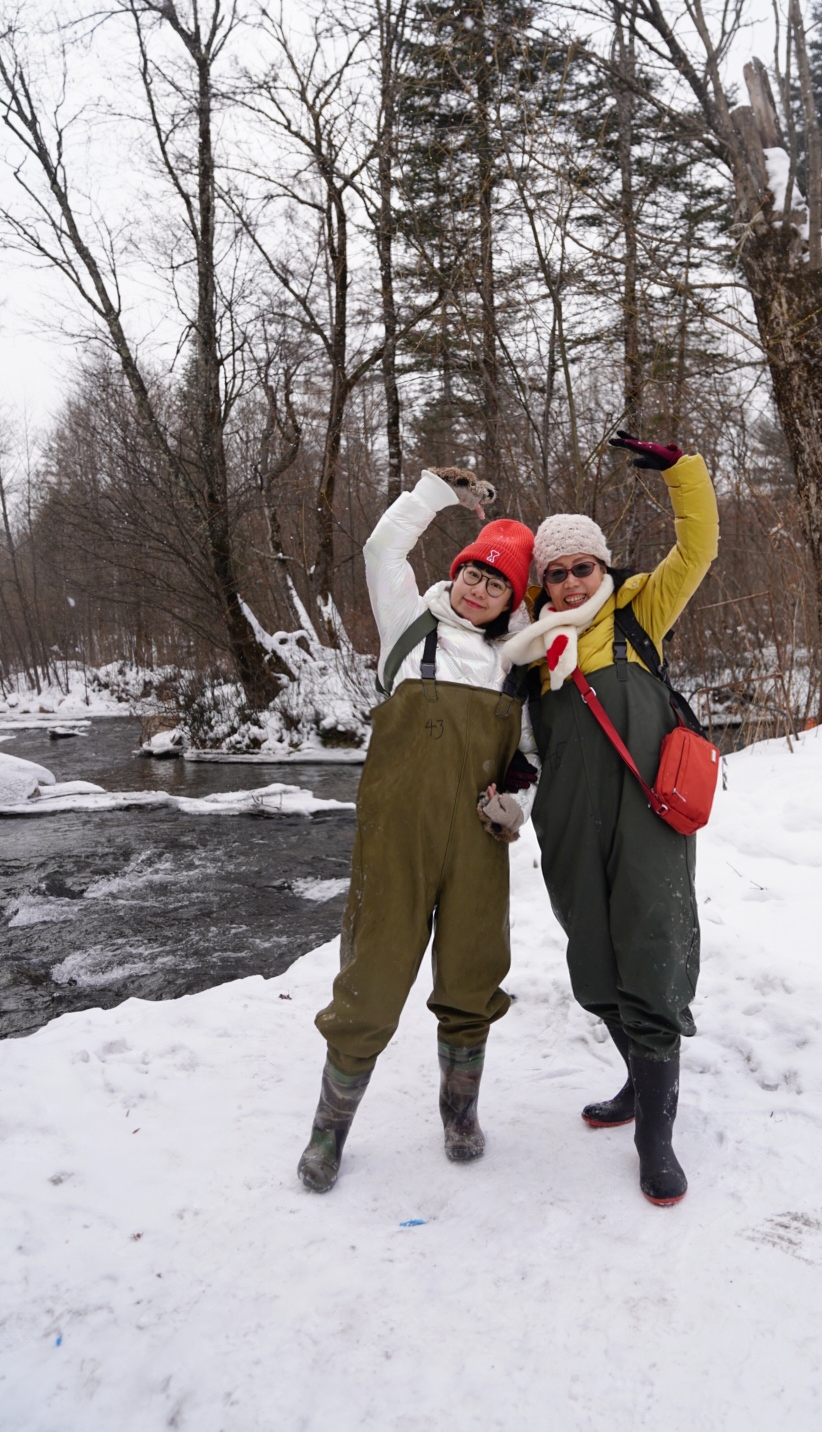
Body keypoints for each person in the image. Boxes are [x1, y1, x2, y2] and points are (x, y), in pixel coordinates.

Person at [297, 466, 537, 1193]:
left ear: (511, 600)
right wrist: (437, 492)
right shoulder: (410, 622)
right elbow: (380, 550)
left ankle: (458, 1112)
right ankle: (327, 1131)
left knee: (471, 977)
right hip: (395, 839)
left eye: (495, 584)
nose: (476, 590)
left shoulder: (520, 661)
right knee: (369, 983)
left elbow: (529, 755)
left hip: (476, 843)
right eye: (471, 574)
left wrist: (515, 803)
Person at [501, 432, 718, 1206]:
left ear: (603, 567)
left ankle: (655, 1139)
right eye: (554, 573)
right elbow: (493, 716)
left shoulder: (638, 613)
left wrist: (681, 473)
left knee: (653, 958)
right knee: (595, 963)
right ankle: (635, 1082)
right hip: (569, 823)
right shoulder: (524, 646)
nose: (567, 584)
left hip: (648, 819)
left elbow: (699, 545)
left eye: (580, 568)